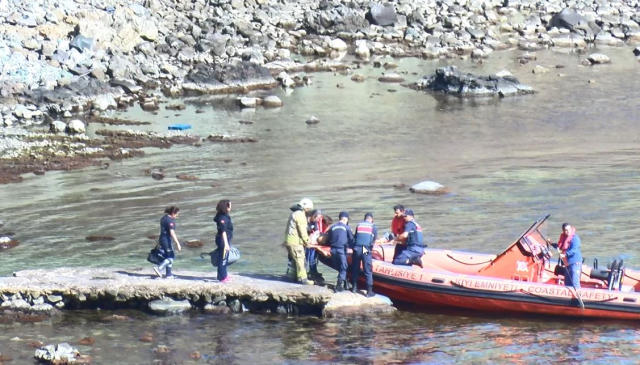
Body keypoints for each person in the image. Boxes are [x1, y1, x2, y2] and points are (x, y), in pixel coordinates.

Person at [284, 198, 315, 285]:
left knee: (295, 259)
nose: (310, 211)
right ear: (306, 208)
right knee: (300, 259)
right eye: (310, 209)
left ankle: (291, 276)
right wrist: (307, 241)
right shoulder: (300, 215)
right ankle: (303, 279)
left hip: (289, 241)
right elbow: (302, 230)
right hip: (295, 242)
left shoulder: (294, 213)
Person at [351, 212, 377, 297]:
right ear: (371, 219)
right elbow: (373, 241)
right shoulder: (373, 226)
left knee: (355, 268)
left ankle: (354, 288)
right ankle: (369, 292)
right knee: (367, 270)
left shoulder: (358, 225)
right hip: (364, 248)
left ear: (364, 218)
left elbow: (355, 237)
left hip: (357, 248)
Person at [328, 211, 354, 292]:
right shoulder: (347, 228)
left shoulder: (332, 227)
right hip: (341, 250)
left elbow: (329, 239)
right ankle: (339, 286)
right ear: (345, 219)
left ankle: (345, 283)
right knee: (343, 268)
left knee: (339, 268)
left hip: (332, 250)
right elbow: (351, 240)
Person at [153, 206, 182, 279]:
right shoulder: (170, 221)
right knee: (171, 256)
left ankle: (169, 274)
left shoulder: (163, 218)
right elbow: (172, 233)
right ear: (173, 213)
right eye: (177, 214)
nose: (177, 215)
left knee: (167, 256)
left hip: (162, 239)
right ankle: (159, 268)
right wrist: (177, 243)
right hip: (166, 240)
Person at [554, 223, 583, 289]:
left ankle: (578, 294)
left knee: (575, 283)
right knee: (567, 283)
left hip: (575, 263)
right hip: (567, 264)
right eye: (566, 230)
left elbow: (574, 249)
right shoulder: (564, 238)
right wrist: (552, 244)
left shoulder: (575, 238)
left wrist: (565, 254)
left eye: (569, 229)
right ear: (563, 231)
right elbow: (559, 246)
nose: (568, 231)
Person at [213, 199, 234, 283]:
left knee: (224, 257)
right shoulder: (222, 218)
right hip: (223, 239)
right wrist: (226, 244)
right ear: (226, 207)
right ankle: (222, 278)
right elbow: (223, 231)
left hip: (223, 239)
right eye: (230, 205)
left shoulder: (223, 215)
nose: (231, 207)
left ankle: (223, 275)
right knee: (223, 259)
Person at [306, 209, 325, 280]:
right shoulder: (306, 222)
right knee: (306, 257)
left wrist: (314, 238)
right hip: (305, 242)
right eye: (317, 218)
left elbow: (317, 232)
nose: (318, 220)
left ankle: (313, 270)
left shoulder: (315, 223)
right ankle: (304, 272)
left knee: (313, 255)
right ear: (313, 216)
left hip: (311, 242)